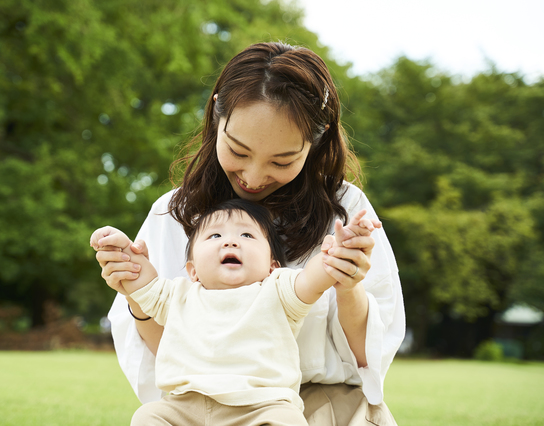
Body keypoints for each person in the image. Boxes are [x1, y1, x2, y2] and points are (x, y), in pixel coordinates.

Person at [94, 41, 405, 425]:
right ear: (215, 117)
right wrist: (133, 287)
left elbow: (366, 360)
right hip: (200, 404)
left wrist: (348, 283)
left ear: (316, 140)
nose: (254, 178)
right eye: (238, 151)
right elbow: (165, 349)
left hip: (323, 407)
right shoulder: (175, 212)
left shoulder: (344, 209)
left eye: (282, 160)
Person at [91, 200, 381, 425]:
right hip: (184, 407)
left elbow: (314, 277)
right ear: (192, 270)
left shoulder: (278, 291)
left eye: (247, 234)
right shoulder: (178, 295)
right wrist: (119, 249)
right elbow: (140, 279)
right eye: (215, 235)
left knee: (290, 421)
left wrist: (338, 252)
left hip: (262, 407)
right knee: (147, 418)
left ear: (272, 266)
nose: (230, 241)